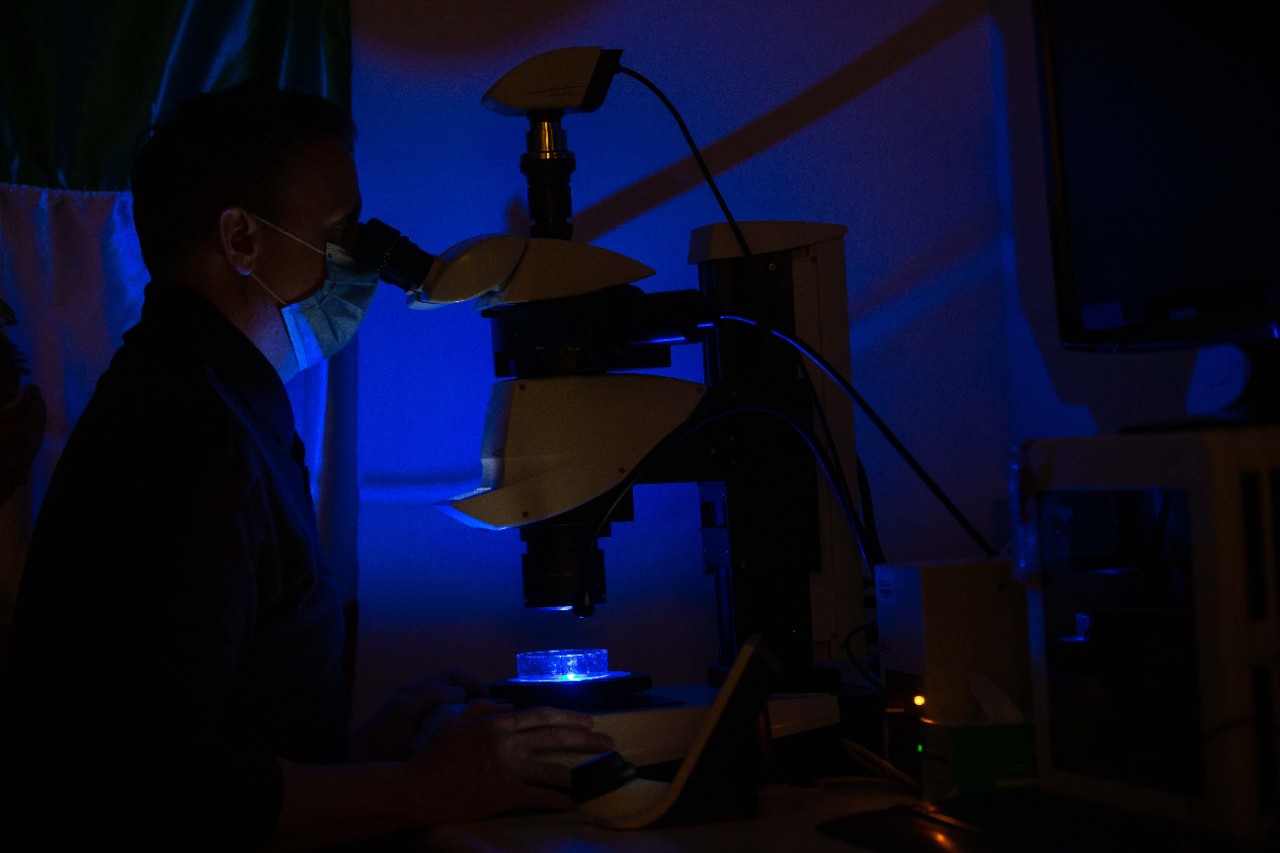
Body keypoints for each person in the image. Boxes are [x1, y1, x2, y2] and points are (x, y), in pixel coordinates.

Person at [0, 81, 613, 851]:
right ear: (242, 241)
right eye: (341, 233)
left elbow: (222, 730)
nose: (362, 262)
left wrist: (367, 747)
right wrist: (420, 787)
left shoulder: (215, 398)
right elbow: (145, 785)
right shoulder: (188, 436)